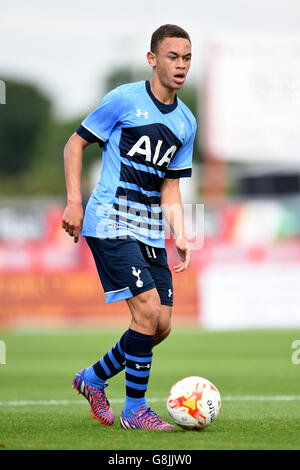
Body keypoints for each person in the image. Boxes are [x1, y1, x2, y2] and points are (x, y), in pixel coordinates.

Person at [62, 24, 197, 430]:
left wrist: (181, 233)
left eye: (187, 58)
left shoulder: (187, 122)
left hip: (151, 229)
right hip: (109, 220)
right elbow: (74, 144)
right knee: (147, 311)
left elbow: (170, 186)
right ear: (152, 59)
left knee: (162, 325)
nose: (180, 65)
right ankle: (135, 410)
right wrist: (74, 202)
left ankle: (93, 378)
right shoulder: (123, 99)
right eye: (172, 57)